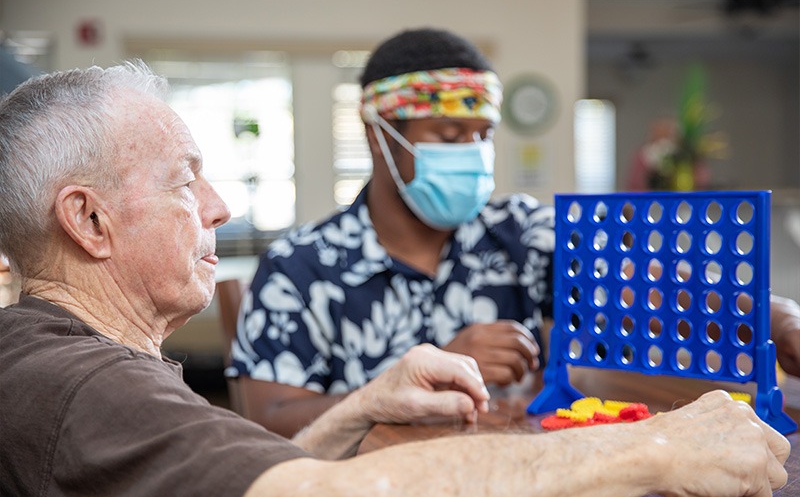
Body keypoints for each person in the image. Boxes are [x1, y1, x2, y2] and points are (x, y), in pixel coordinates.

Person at [0, 61, 791, 497]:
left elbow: (233, 480)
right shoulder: (77, 387)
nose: (219, 206)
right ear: (89, 220)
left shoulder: (86, 364)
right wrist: (658, 446)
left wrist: (361, 404)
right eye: (185, 178)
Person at [230, 27, 800, 438]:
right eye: (449, 134)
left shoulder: (519, 233)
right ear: (378, 132)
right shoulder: (300, 267)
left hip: (519, 480)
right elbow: (270, 416)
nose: (472, 155)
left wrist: (777, 319)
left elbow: (647, 283)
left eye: (482, 136)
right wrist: (418, 379)